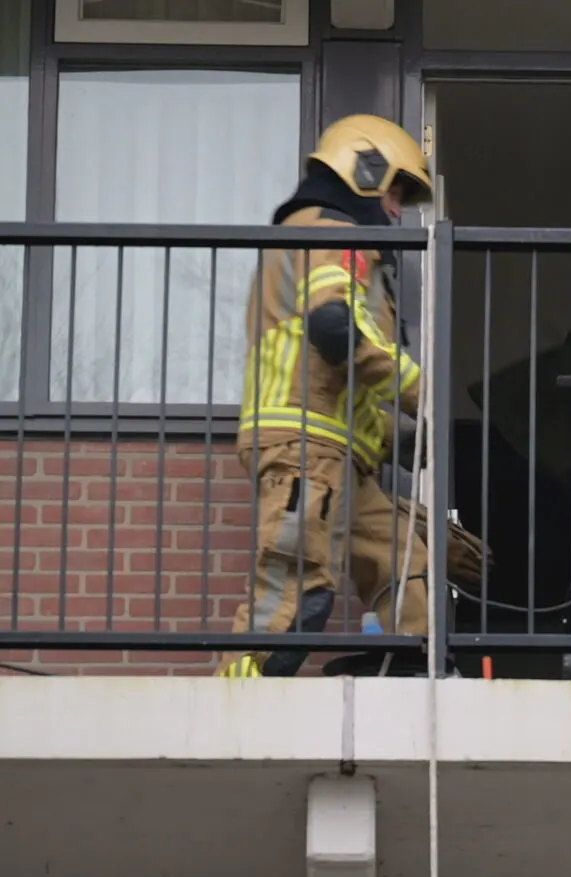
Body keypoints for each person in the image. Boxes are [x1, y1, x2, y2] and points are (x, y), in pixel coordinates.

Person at [217, 114, 433, 678]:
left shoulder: (328, 239)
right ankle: (242, 699)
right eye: (395, 192)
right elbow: (335, 329)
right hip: (306, 449)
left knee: (404, 561)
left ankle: (418, 670)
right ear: (363, 171)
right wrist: (419, 393)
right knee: (294, 588)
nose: (396, 210)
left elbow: (336, 368)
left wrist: (393, 438)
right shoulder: (330, 231)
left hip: (343, 457)